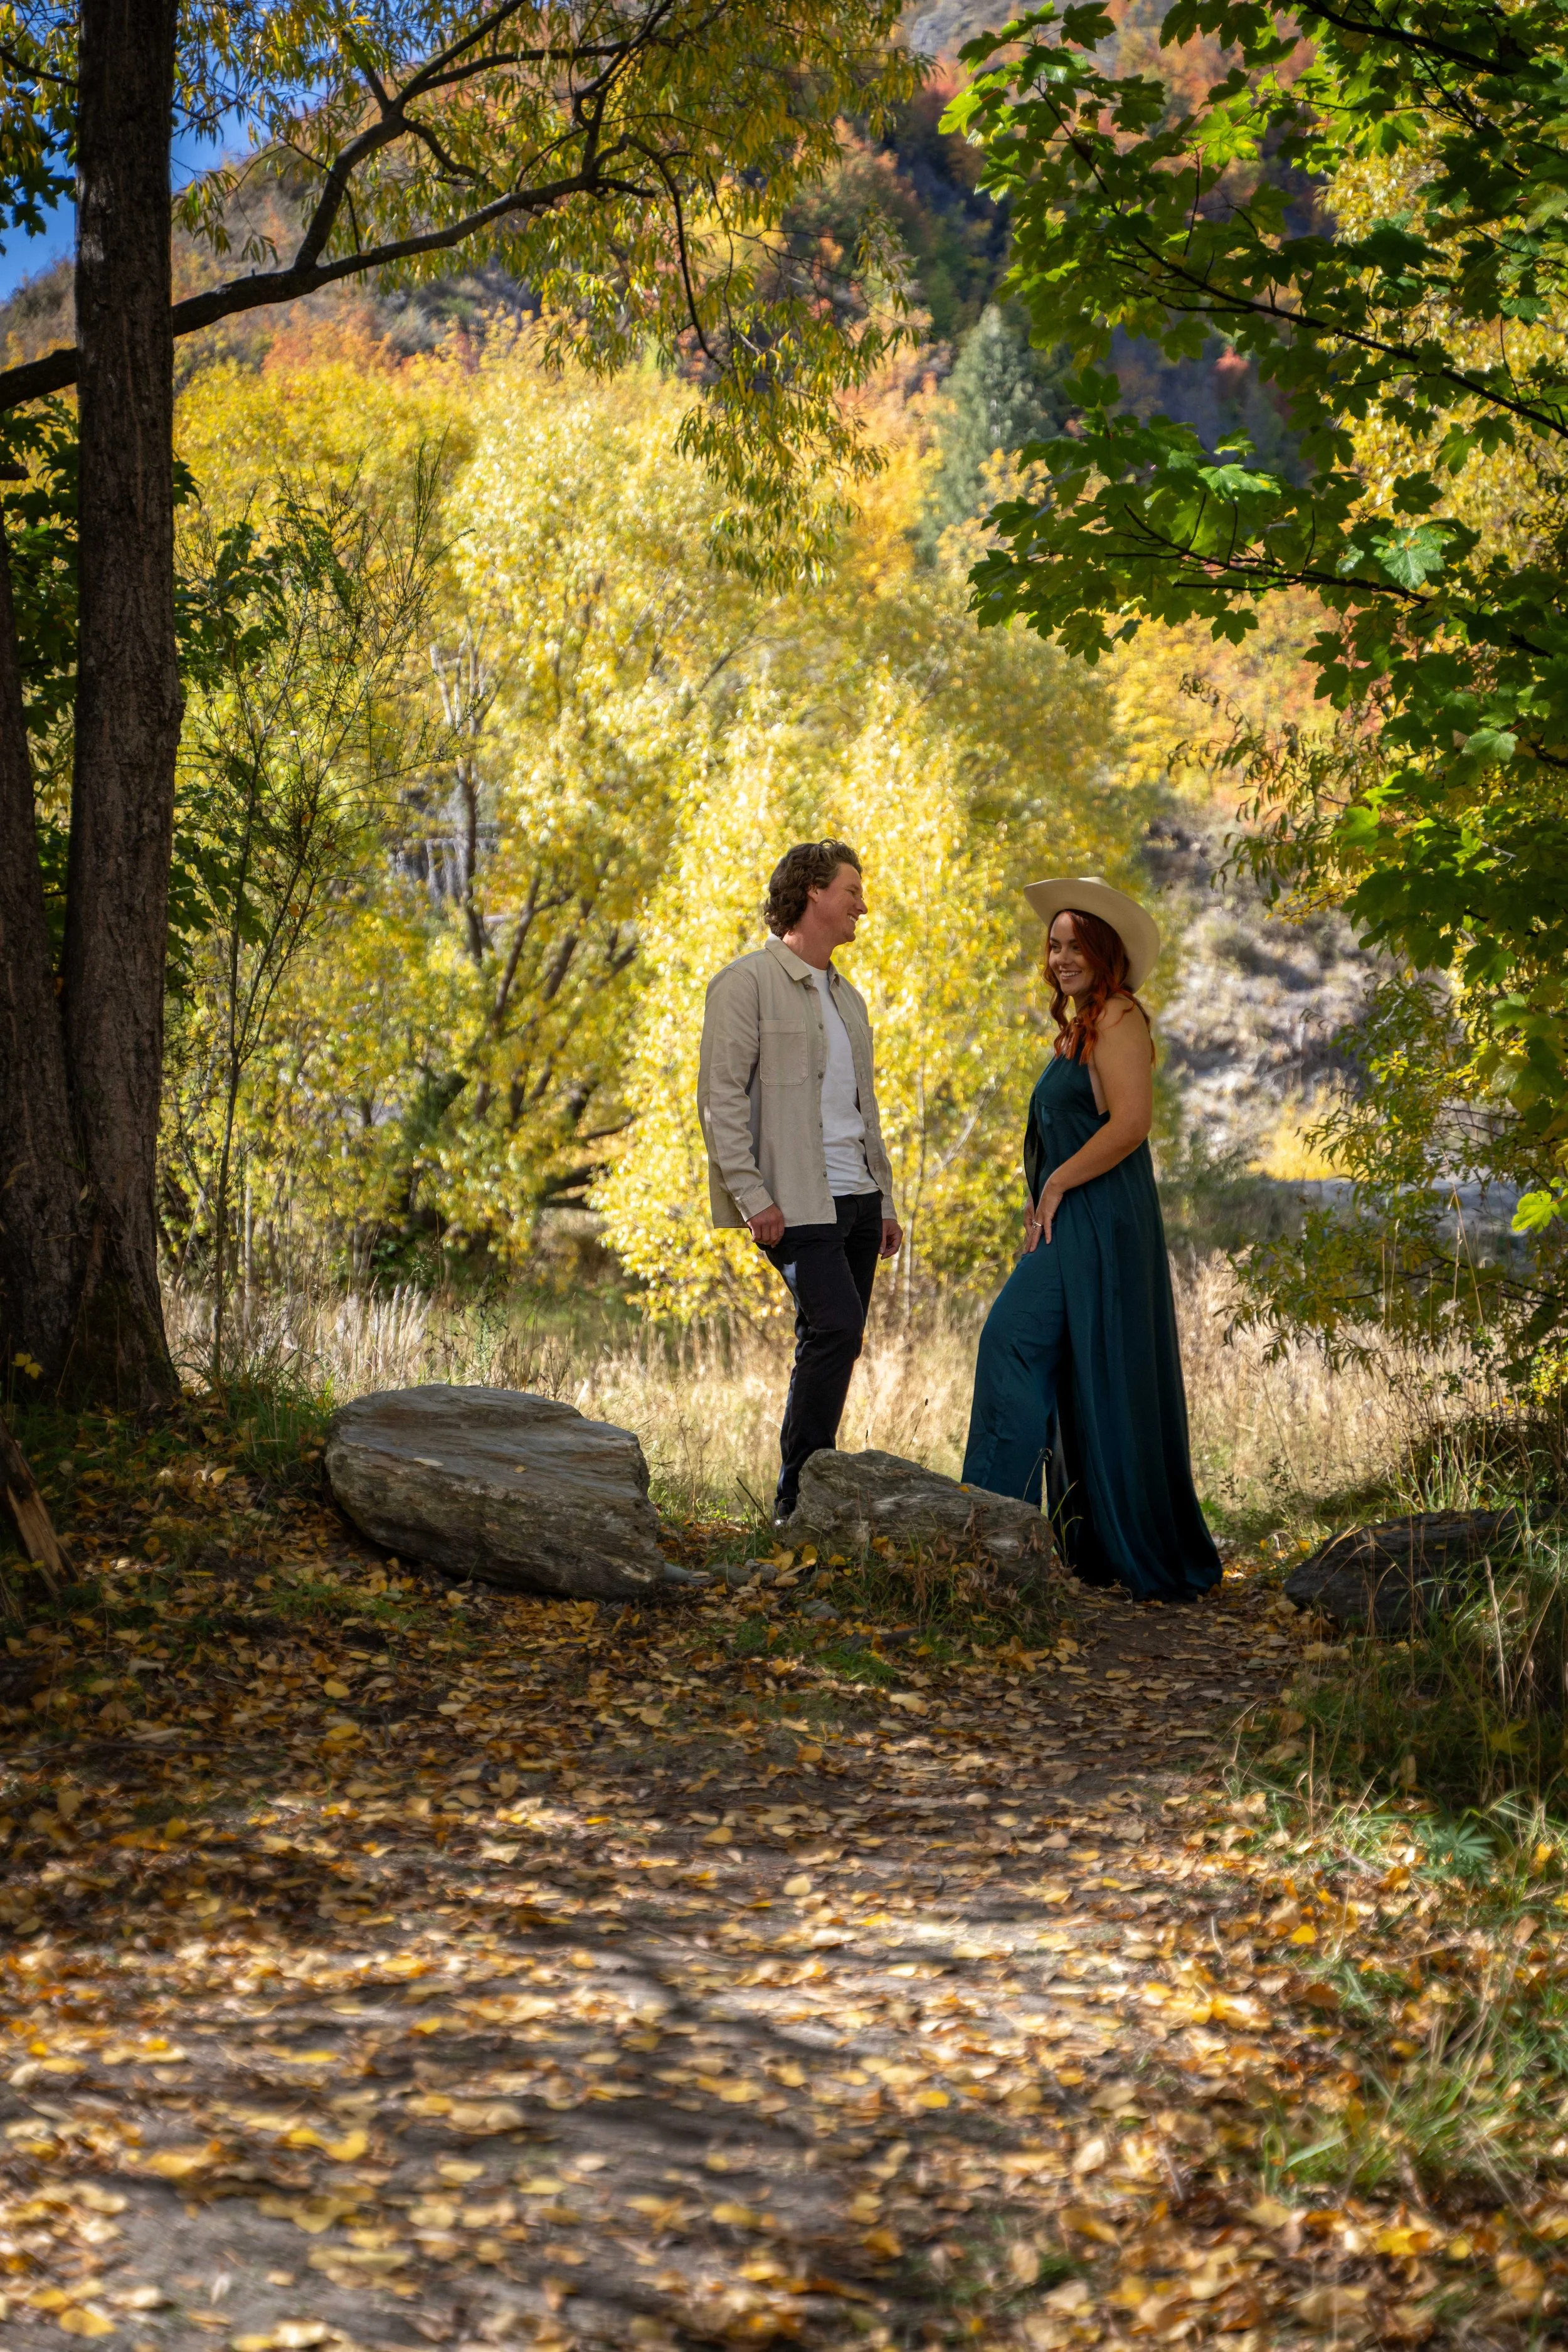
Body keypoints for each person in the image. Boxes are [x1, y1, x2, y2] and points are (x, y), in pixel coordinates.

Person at [961, 877, 1221, 1602]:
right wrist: (1045, 1197)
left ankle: (992, 1538)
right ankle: (1013, 1539)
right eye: (1055, 943)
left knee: (1013, 1341)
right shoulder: (1079, 1025)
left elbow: (1131, 1125)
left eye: (1077, 944)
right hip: (1072, 1217)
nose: (1062, 954)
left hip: (1103, 1218)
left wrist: (1054, 1184)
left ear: (1105, 953)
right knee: (1039, 1357)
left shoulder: (1119, 1017)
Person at [698, 840, 903, 1530]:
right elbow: (720, 1099)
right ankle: (797, 1495)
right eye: (852, 890)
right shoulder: (745, 984)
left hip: (858, 1197)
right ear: (813, 891)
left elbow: (861, 1107)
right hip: (794, 1201)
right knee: (836, 1328)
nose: (861, 906)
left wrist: (887, 1201)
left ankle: (810, 1490)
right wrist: (753, 1196)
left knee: (830, 1336)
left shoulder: (848, 997)